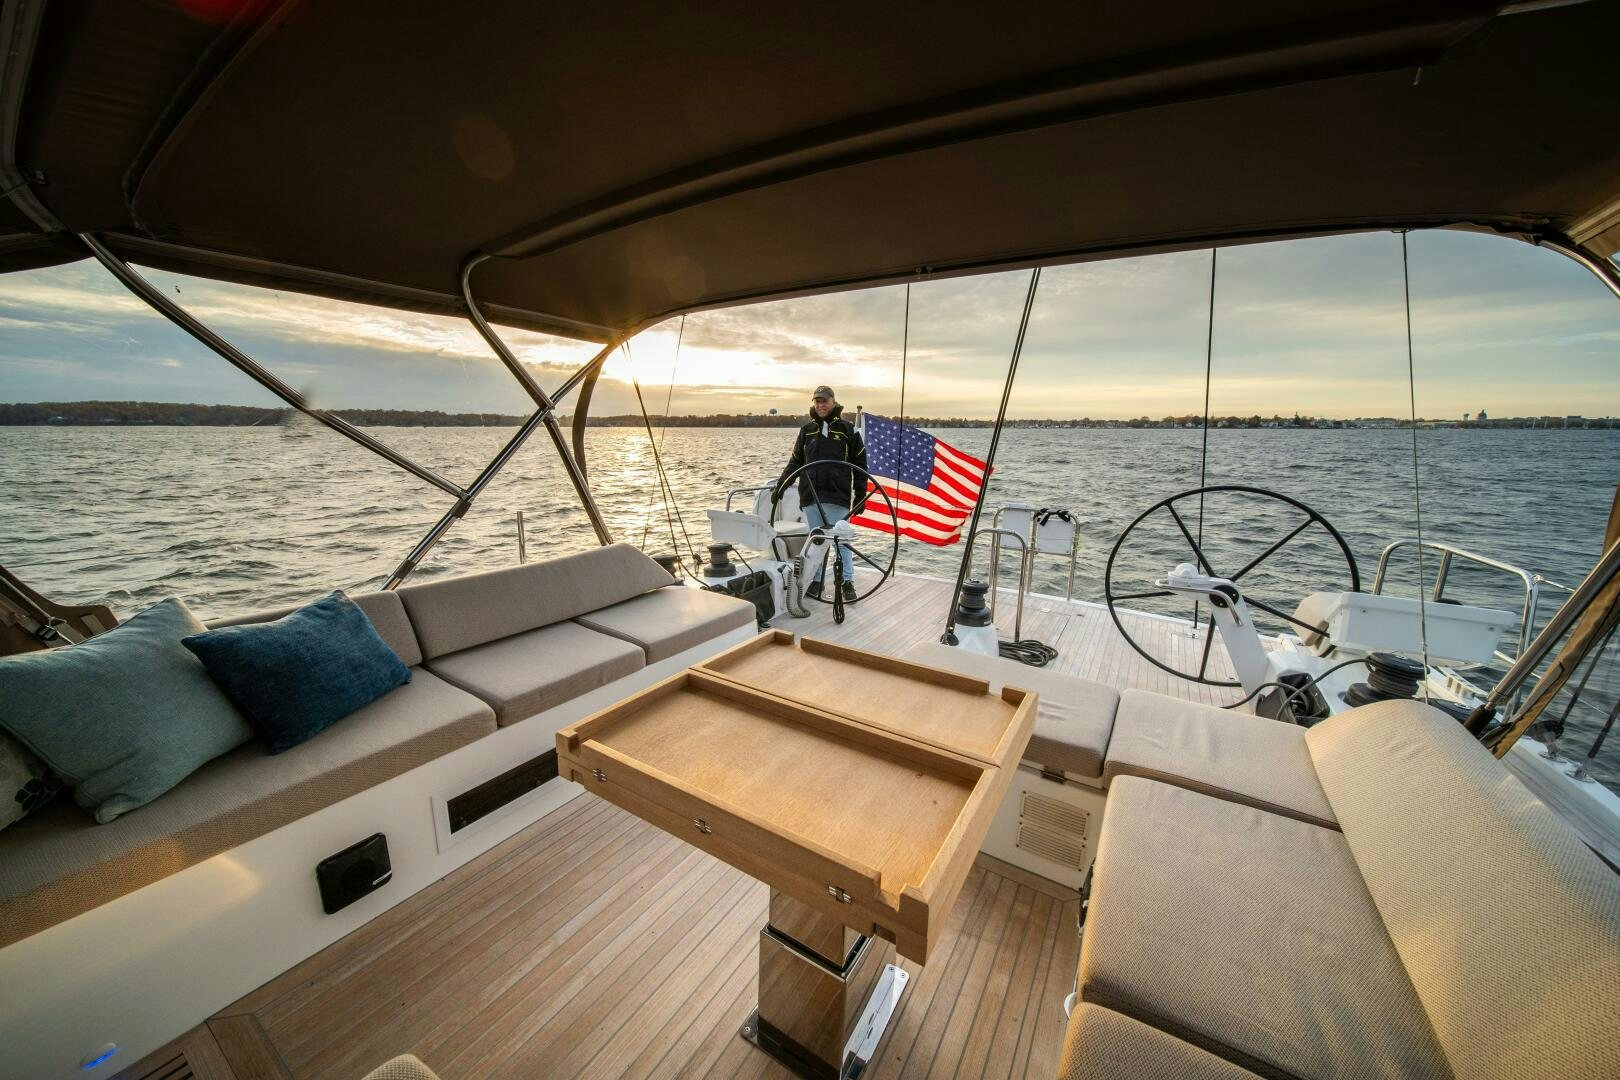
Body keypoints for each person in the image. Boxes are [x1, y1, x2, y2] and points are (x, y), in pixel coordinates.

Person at [778, 385, 866, 602]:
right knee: (816, 540)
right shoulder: (806, 431)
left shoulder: (848, 430)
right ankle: (816, 581)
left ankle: (847, 582)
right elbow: (796, 461)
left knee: (841, 541)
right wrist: (781, 485)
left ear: (833, 402)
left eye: (824, 401)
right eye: (817, 401)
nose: (821, 405)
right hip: (810, 497)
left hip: (837, 497)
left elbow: (860, 464)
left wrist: (861, 492)